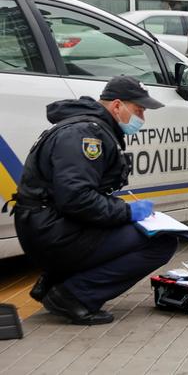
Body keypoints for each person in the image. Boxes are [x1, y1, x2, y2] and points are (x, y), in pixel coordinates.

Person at [11, 76, 175, 325]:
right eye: (139, 109)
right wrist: (127, 212)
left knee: (131, 229)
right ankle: (75, 296)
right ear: (117, 105)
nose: (142, 117)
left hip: (48, 225)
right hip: (50, 232)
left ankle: (56, 281)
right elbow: (76, 198)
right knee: (161, 241)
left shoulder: (90, 127)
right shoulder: (85, 134)